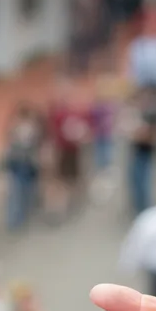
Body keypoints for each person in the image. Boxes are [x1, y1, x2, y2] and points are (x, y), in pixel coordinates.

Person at [47, 82, 93, 218]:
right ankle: (60, 208)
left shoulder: (76, 113)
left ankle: (74, 203)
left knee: (73, 178)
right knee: (60, 180)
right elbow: (54, 134)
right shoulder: (58, 115)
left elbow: (86, 131)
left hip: (74, 152)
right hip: (63, 151)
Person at [124, 88, 156, 216]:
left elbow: (155, 136)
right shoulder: (137, 113)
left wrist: (143, 134)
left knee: (145, 182)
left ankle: (145, 210)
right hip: (136, 151)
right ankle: (137, 207)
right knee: (135, 181)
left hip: (146, 152)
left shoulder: (153, 115)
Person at [4, 102, 45, 230]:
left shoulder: (32, 131)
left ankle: (25, 214)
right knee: (16, 192)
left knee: (27, 190)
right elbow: (12, 149)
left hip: (29, 166)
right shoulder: (15, 131)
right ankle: (15, 219)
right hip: (18, 166)